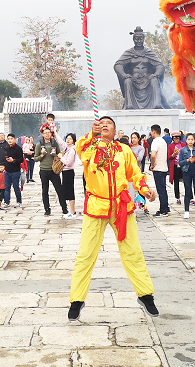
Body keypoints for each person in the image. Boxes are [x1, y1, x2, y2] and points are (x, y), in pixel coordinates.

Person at [68, 116, 158, 322]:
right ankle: (76, 299)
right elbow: (80, 150)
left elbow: (135, 174)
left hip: (121, 206)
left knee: (132, 251)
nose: (105, 125)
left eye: (109, 123)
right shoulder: (90, 147)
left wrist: (145, 190)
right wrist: (92, 135)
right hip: (96, 206)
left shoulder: (123, 150)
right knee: (86, 254)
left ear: (116, 130)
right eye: (102, 123)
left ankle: (145, 295)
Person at [35, 128, 67, 216]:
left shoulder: (54, 143)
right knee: (45, 190)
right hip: (43, 170)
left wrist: (55, 155)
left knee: (59, 189)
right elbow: (35, 158)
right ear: (42, 135)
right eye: (45, 133)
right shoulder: (39, 145)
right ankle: (47, 209)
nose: (47, 134)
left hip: (53, 170)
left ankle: (64, 208)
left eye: (48, 132)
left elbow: (60, 155)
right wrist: (42, 155)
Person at [178, 134, 195, 218]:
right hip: (187, 172)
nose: (190, 141)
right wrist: (188, 160)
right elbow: (180, 162)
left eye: (192, 139)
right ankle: (186, 211)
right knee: (188, 191)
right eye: (188, 139)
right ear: (186, 140)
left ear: (194, 140)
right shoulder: (183, 150)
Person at [149, 125, 170, 216]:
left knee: (160, 190)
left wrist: (152, 164)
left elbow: (153, 155)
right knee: (163, 189)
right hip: (164, 168)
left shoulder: (155, 141)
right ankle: (166, 207)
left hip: (158, 168)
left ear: (153, 132)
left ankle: (163, 210)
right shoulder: (163, 141)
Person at [59, 133, 80, 218]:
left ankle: (73, 212)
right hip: (65, 172)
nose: (68, 140)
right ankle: (71, 211)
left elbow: (68, 163)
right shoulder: (67, 148)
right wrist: (56, 132)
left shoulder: (72, 150)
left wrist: (61, 157)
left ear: (73, 141)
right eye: (67, 138)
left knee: (70, 192)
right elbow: (61, 142)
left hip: (69, 172)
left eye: (70, 139)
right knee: (66, 191)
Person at [1, 134, 24, 209]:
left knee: (16, 187)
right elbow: (4, 159)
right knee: (7, 187)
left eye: (11, 139)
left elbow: (21, 160)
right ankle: (6, 202)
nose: (10, 140)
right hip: (7, 171)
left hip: (15, 171)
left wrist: (13, 160)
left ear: (14, 139)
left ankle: (19, 202)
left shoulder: (18, 149)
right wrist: (4, 166)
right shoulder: (6, 148)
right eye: (8, 139)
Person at [168, 131, 185, 205]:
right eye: (174, 138)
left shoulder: (184, 145)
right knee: (176, 182)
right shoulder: (170, 146)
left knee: (186, 181)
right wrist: (174, 154)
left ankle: (190, 197)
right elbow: (169, 157)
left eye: (177, 138)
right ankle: (177, 197)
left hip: (183, 165)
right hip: (175, 166)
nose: (176, 139)